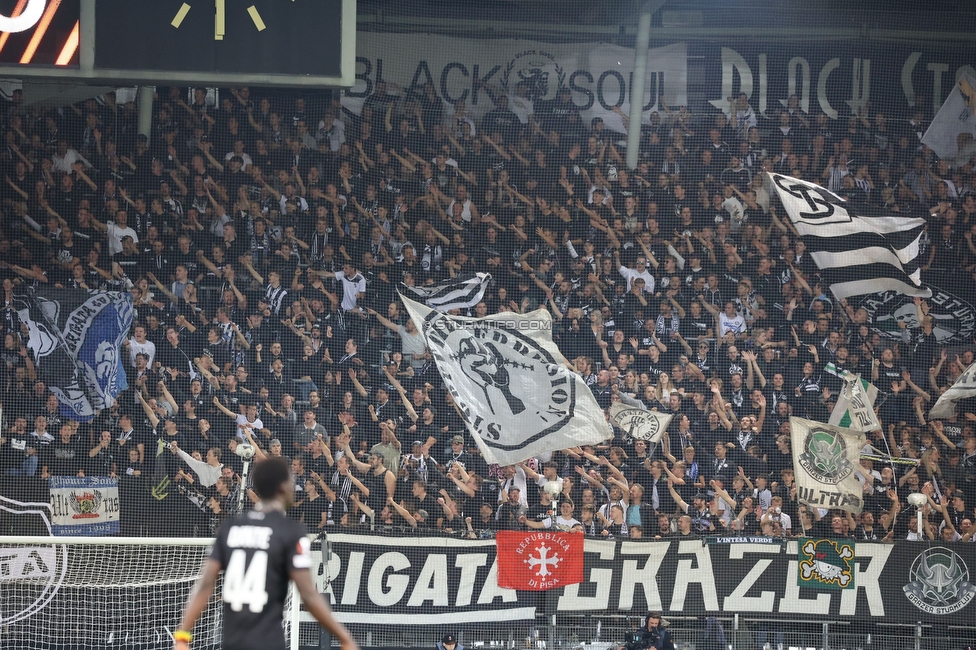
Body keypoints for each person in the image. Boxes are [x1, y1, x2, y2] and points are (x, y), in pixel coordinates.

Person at [173, 457, 359, 650]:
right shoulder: (290, 531)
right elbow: (309, 595)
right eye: (291, 480)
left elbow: (204, 586)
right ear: (282, 487)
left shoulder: (231, 527)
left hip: (232, 641)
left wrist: (182, 636)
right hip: (268, 641)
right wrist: (344, 638)